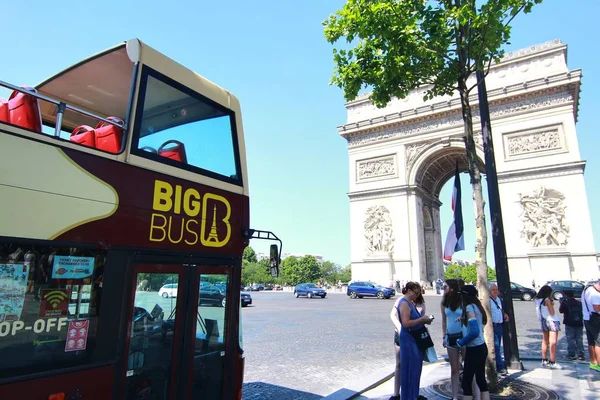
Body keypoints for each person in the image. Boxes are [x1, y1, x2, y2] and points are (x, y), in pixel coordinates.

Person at [390, 281, 432, 400]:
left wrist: (424, 320)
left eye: (419, 293)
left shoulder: (410, 302)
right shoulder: (404, 303)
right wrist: (422, 320)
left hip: (414, 340)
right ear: (408, 291)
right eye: (416, 293)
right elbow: (406, 323)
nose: (417, 295)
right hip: (409, 340)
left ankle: (412, 396)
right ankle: (408, 397)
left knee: (415, 370)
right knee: (409, 370)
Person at [455, 285, 489, 400]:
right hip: (482, 347)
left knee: (466, 382)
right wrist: (464, 320)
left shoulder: (469, 307)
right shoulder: (477, 306)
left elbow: (474, 331)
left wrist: (461, 342)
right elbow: (477, 322)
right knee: (481, 379)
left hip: (474, 349)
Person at [441, 279, 464, 400]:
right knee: (454, 370)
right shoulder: (444, 302)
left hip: (464, 337)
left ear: (452, 288)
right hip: (450, 338)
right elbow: (444, 321)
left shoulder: (463, 301)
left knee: (470, 368)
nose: (443, 288)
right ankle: (454, 397)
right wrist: (444, 336)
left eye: (445, 287)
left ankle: (472, 395)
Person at [535, 285, 562, 368]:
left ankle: (544, 359)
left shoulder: (537, 300)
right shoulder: (547, 300)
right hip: (552, 321)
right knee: (553, 342)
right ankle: (552, 361)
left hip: (544, 320)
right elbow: (552, 313)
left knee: (545, 340)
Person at [489, 283, 509, 375]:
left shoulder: (498, 299)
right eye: (493, 290)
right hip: (492, 325)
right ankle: (499, 366)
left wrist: (504, 314)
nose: (496, 291)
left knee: (497, 345)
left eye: (496, 289)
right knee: (496, 346)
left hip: (499, 324)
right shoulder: (488, 300)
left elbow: (500, 309)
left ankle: (498, 364)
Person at [558, 290, 584, 360]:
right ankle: (581, 354)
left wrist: (561, 303)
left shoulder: (565, 303)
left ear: (566, 295)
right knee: (579, 339)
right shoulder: (579, 303)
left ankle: (571, 354)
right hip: (579, 322)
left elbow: (561, 311)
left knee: (570, 339)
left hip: (569, 323)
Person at [582, 279, 600, 372]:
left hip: (587, 318)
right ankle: (599, 365)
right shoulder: (595, 294)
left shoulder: (586, 289)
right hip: (596, 319)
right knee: (598, 342)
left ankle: (593, 363)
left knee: (591, 342)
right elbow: (597, 308)